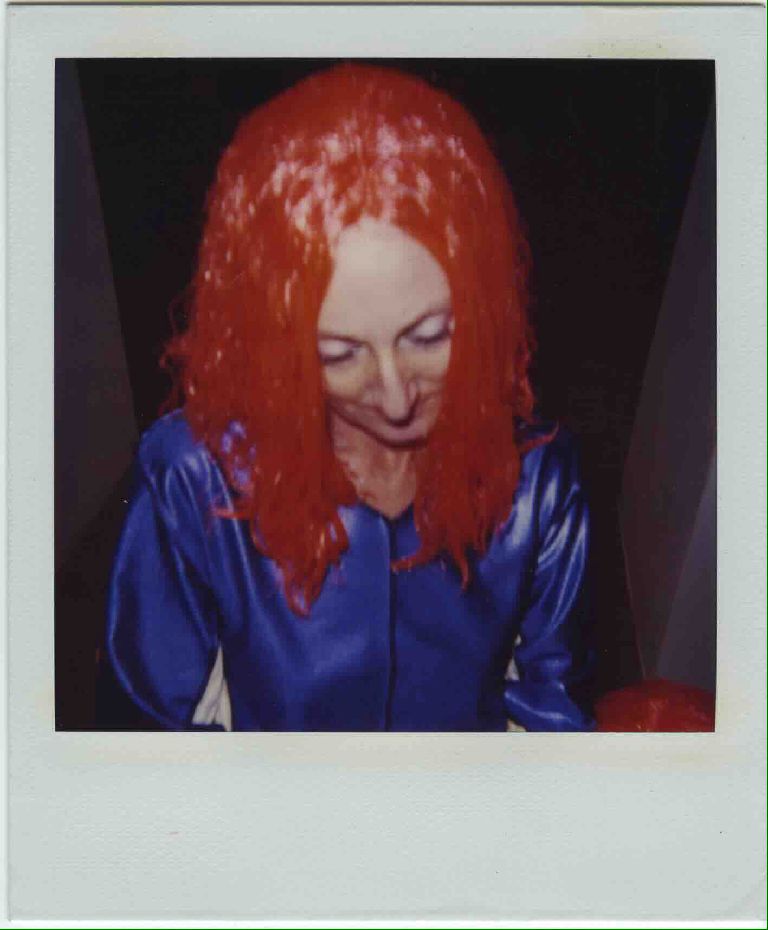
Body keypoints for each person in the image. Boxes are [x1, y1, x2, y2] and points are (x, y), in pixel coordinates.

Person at [106, 63, 594, 732]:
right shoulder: (194, 478)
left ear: (483, 309)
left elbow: (555, 714)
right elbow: (146, 742)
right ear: (275, 344)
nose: (394, 399)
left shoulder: (538, 478)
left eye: (429, 336)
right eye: (339, 354)